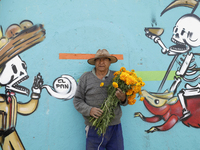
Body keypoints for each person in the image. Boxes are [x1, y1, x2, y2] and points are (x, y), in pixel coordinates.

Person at [73, 49, 128, 150]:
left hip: (114, 126)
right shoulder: (85, 78)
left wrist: (123, 98)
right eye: (98, 60)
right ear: (95, 62)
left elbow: (125, 102)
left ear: (109, 62)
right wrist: (89, 110)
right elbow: (77, 100)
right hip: (94, 127)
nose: (101, 62)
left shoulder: (118, 77)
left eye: (105, 60)